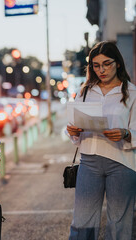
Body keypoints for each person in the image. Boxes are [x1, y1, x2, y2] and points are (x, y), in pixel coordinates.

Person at [66, 41, 136, 240]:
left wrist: (126, 133)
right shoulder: (85, 91)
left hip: (122, 162)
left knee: (119, 224)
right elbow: (73, 130)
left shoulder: (132, 93)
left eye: (107, 64)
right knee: (81, 222)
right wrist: (73, 130)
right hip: (89, 161)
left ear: (118, 63)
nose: (101, 70)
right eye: (96, 65)